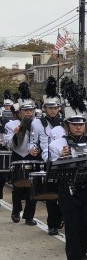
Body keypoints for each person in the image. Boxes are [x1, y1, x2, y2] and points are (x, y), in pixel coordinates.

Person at [48, 81, 87, 260]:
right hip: (68, 190)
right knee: (72, 226)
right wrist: (61, 159)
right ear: (67, 125)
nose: (78, 127)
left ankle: (82, 252)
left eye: (81, 124)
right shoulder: (57, 144)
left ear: (85, 125)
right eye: (74, 124)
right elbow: (50, 171)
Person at [5, 84, 40, 226]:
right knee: (18, 187)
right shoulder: (11, 124)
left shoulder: (38, 124)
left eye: (31, 110)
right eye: (26, 111)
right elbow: (10, 144)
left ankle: (29, 216)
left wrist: (36, 150)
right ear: (20, 112)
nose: (29, 113)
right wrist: (17, 133)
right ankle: (16, 210)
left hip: (33, 157)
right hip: (19, 157)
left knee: (34, 187)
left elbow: (41, 140)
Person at [37, 77, 65, 235]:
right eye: (50, 108)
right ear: (45, 108)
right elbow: (36, 143)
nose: (53, 110)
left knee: (64, 195)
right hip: (49, 161)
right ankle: (52, 224)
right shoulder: (38, 123)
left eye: (55, 108)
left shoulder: (65, 123)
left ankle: (60, 217)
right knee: (51, 196)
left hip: (64, 161)